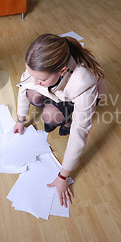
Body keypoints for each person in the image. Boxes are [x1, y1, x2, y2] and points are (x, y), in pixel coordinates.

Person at [13, 34, 108, 207]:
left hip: (77, 96)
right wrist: (20, 119)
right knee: (33, 93)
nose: (35, 80)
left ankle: (66, 118)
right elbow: (24, 86)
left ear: (62, 71)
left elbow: (80, 132)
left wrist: (63, 175)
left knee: (50, 117)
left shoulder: (84, 83)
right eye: (33, 74)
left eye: (41, 79)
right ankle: (56, 104)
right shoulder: (38, 63)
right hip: (59, 88)